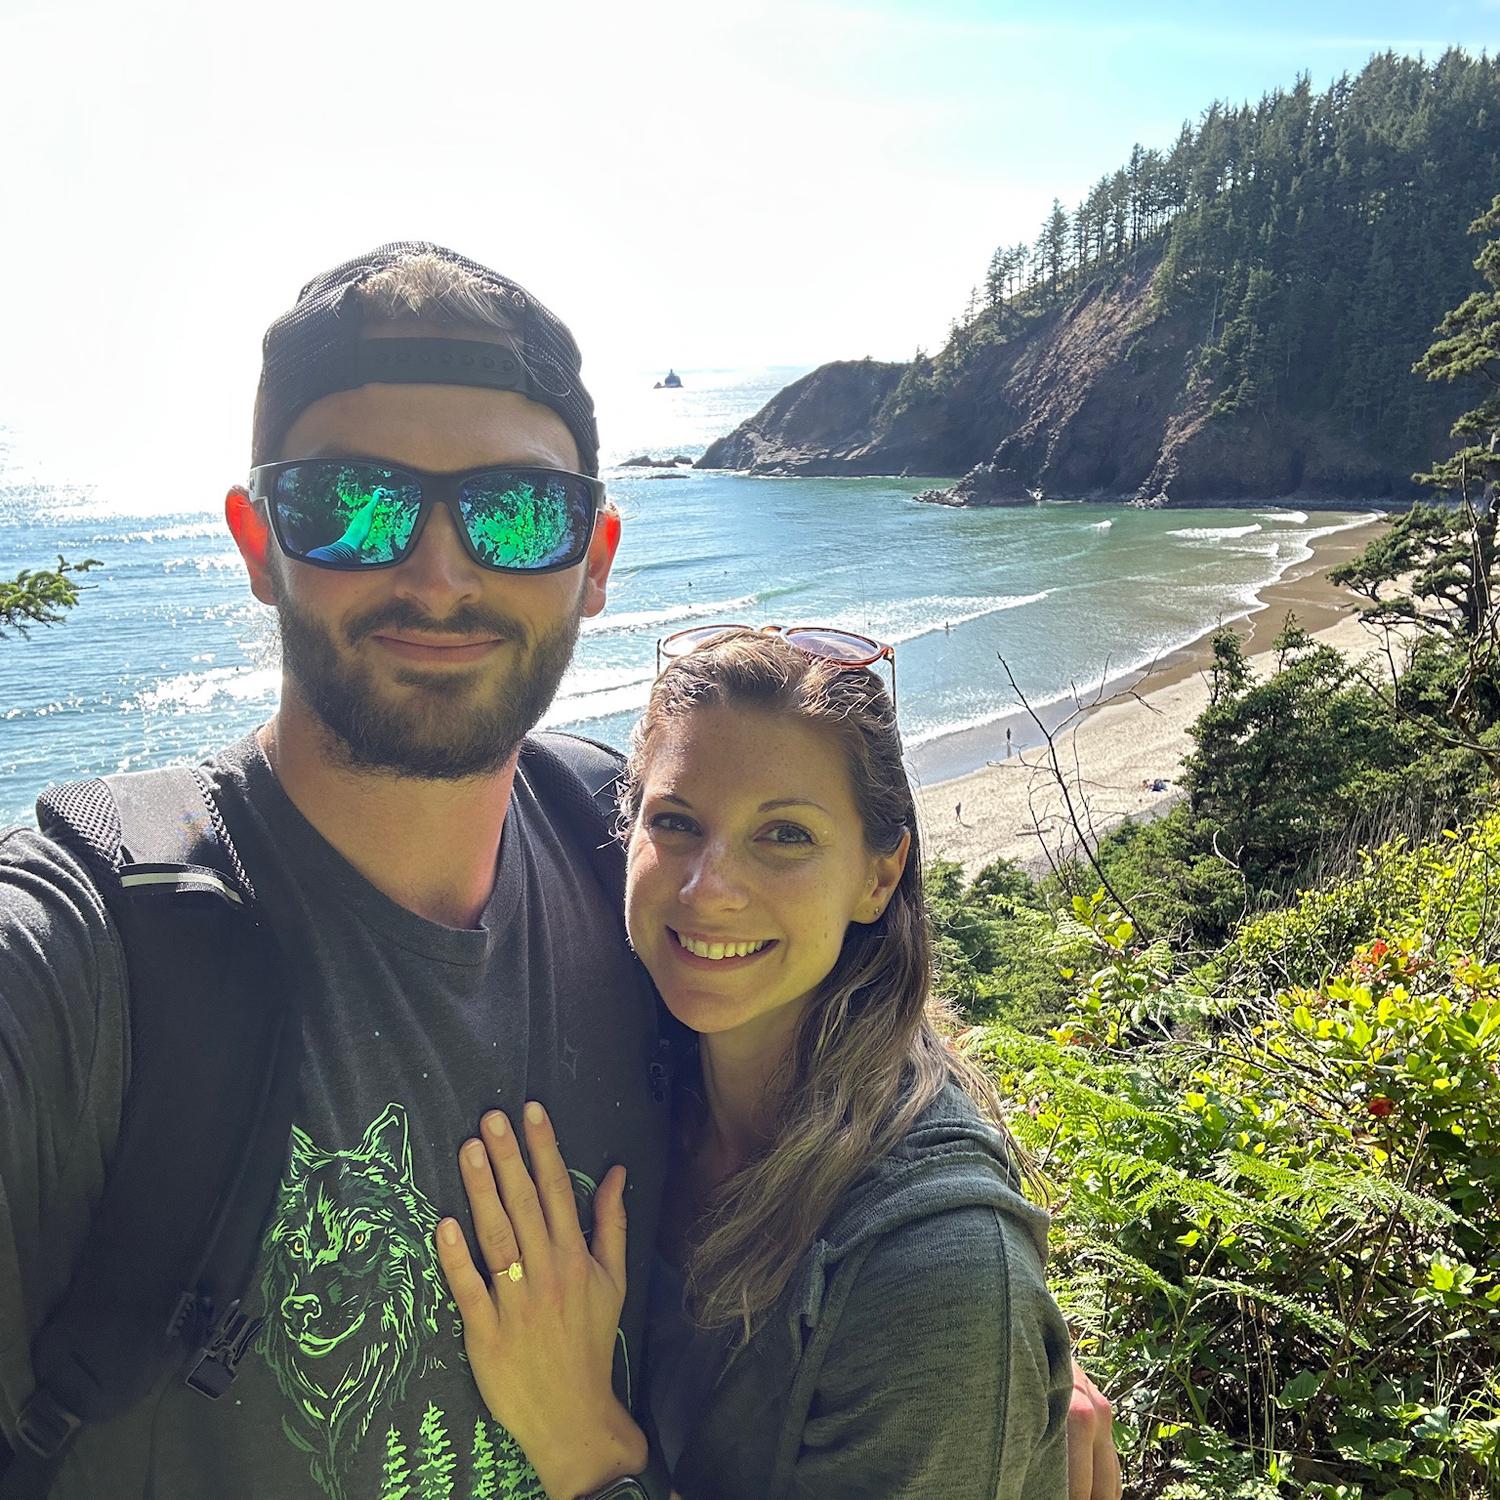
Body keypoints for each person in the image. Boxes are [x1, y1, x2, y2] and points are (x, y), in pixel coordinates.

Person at [0, 242, 1118, 1500]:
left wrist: (993, 1376)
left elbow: (871, 1102)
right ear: (259, 542)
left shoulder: (611, 862)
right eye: (349, 503)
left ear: (593, 561)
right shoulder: (87, 959)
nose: (435, 569)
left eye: (514, 512)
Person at [433, 629, 1076, 1496]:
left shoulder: (940, 1272)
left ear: (879, 876)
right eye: (676, 822)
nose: (708, 889)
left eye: (784, 835)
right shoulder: (646, 1062)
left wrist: (579, 1435)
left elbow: (952, 1316)